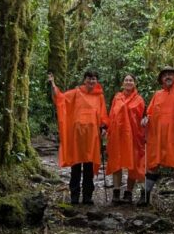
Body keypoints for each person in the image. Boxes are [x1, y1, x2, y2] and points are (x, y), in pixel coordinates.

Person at [48, 70, 108, 206]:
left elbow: (103, 114)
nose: (91, 81)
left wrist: (104, 127)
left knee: (89, 166)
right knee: (76, 166)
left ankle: (87, 196)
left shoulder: (99, 97)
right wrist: (53, 85)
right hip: (77, 136)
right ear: (84, 80)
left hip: (92, 136)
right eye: (89, 78)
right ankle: (74, 195)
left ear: (96, 81)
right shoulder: (76, 92)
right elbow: (61, 98)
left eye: (94, 79)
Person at [141, 66, 174, 208]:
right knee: (153, 163)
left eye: (170, 74)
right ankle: (145, 194)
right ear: (161, 79)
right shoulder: (157, 94)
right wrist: (146, 118)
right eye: (165, 75)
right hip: (158, 136)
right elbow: (150, 112)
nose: (168, 77)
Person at [106, 74, 146, 204]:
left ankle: (128, 193)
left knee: (132, 164)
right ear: (123, 83)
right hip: (118, 135)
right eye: (126, 80)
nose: (128, 82)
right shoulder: (117, 97)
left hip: (134, 136)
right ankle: (116, 192)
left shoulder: (139, 100)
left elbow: (142, 118)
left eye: (131, 80)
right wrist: (107, 130)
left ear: (135, 83)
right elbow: (112, 114)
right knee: (116, 161)